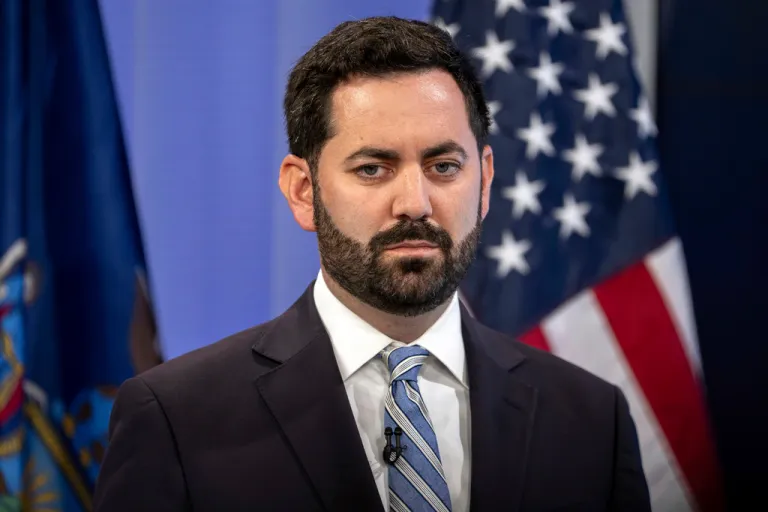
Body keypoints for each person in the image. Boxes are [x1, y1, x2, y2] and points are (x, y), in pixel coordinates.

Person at [93, 16, 651, 512]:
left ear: (484, 181)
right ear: (303, 190)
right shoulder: (176, 419)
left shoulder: (591, 420)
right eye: (372, 169)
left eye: (443, 166)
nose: (415, 201)